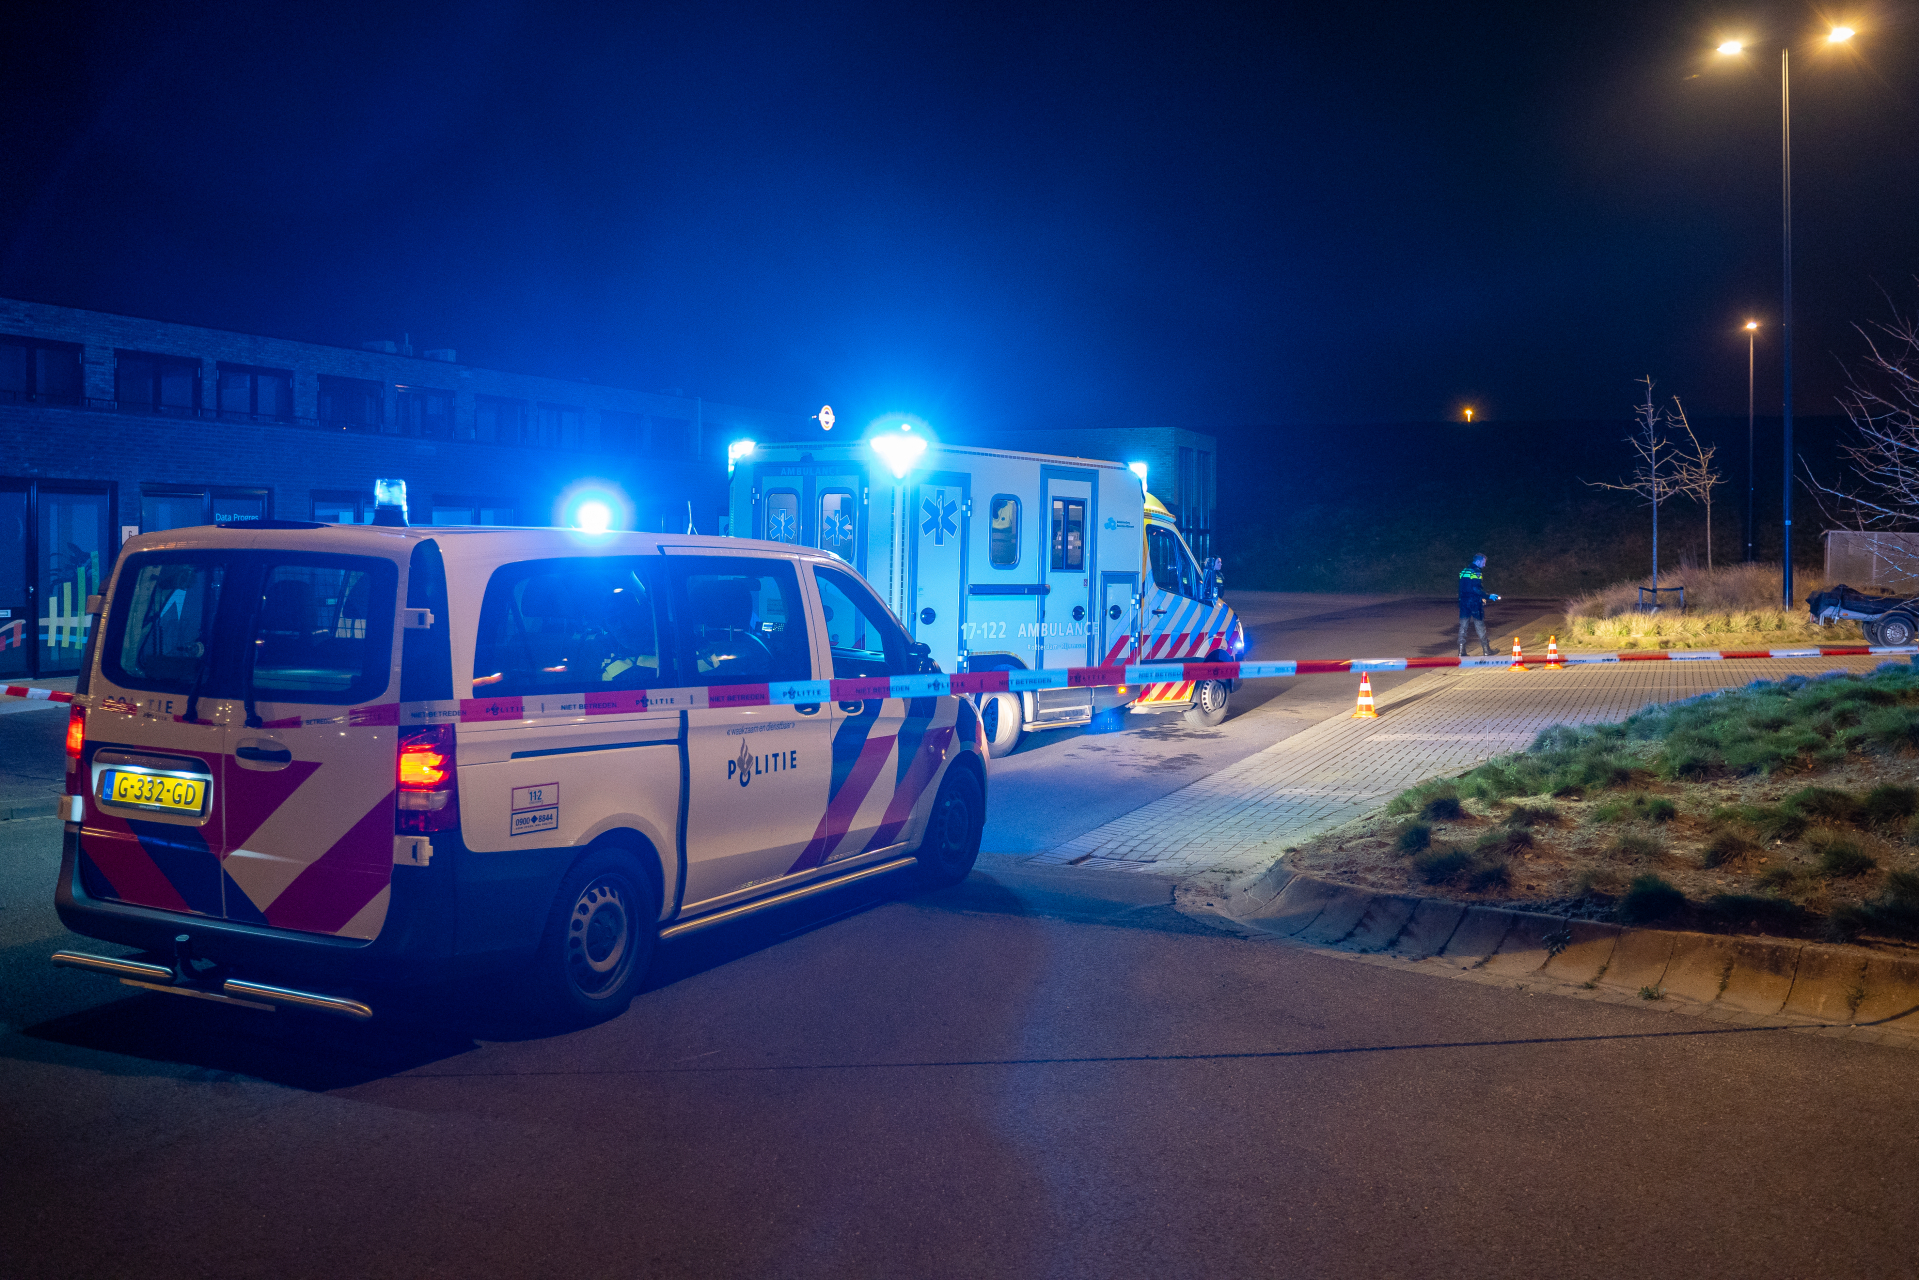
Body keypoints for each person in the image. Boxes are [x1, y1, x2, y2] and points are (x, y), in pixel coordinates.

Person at [1458, 553, 1500, 656]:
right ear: (1478, 561)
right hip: (1474, 603)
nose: (1484, 565)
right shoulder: (1476, 571)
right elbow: (1475, 588)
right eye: (1483, 562)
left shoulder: (1464, 571)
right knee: (1480, 626)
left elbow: (1461, 588)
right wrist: (1487, 596)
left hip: (1463, 602)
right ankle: (1486, 650)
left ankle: (1461, 651)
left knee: (1463, 627)